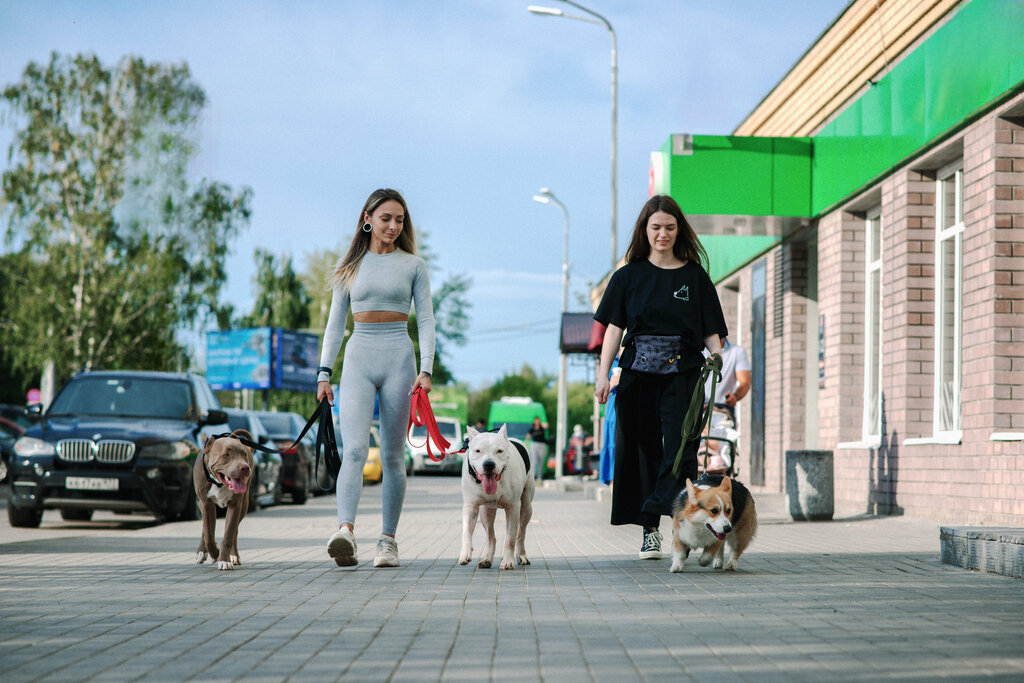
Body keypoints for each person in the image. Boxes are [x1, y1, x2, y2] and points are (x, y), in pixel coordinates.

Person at [594, 194, 727, 561]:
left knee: (681, 450)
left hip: (682, 375)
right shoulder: (627, 277)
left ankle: (674, 521)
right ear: (645, 230)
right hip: (636, 375)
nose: (663, 234)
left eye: (670, 227)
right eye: (656, 227)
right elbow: (613, 330)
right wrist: (603, 375)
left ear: (678, 230)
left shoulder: (694, 276)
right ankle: (650, 532)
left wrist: (715, 356)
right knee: (641, 452)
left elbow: (711, 329)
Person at [317, 188, 434, 569]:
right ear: (367, 219)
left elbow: (428, 321)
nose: (393, 226)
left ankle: (387, 542)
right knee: (353, 450)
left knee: (392, 454)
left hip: (399, 359)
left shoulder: (413, 265)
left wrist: (426, 369)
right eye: (386, 218)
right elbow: (335, 327)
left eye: (399, 220)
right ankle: (345, 532)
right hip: (359, 359)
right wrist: (323, 373)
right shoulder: (349, 266)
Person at [701, 336, 751, 471]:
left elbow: (745, 382)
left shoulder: (736, 351)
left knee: (724, 442)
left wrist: (735, 396)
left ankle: (722, 466)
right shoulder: (699, 351)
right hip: (699, 408)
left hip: (723, 410)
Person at [597, 356, 621, 486]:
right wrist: (612, 383)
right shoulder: (611, 361)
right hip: (614, 411)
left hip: (633, 407)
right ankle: (613, 487)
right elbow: (600, 390)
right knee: (612, 447)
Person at [526, 417, 548, 482]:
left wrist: (541, 424)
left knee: (541, 461)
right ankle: (532, 476)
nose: (537, 422)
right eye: (536, 421)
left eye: (538, 421)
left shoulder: (542, 428)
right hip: (534, 444)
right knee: (534, 461)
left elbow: (546, 425)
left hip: (542, 444)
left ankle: (539, 476)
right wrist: (527, 445)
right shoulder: (532, 429)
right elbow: (528, 437)